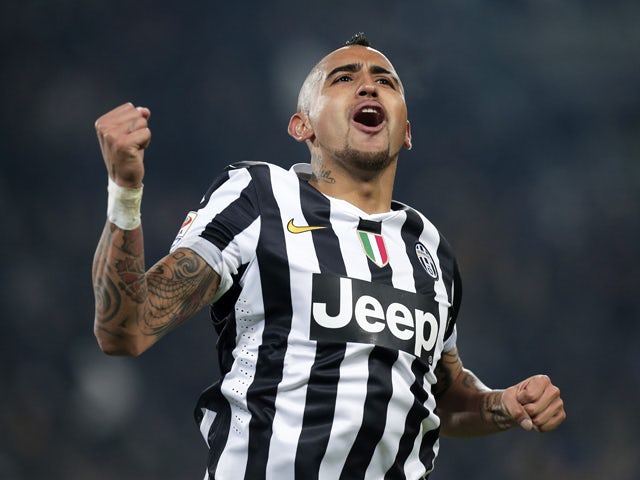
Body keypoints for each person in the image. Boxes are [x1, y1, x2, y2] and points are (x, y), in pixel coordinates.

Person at [92, 33, 565, 480]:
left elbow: (441, 391)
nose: (368, 85)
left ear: (406, 132)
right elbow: (127, 328)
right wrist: (124, 192)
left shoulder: (429, 249)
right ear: (303, 125)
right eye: (343, 78)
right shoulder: (259, 198)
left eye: (386, 81)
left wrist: (503, 403)